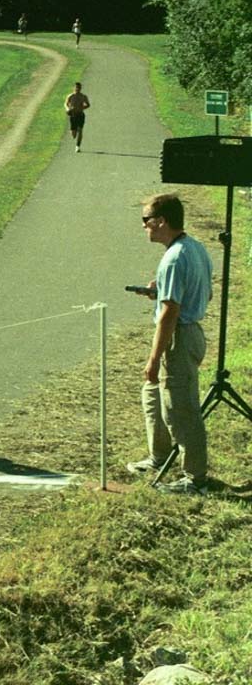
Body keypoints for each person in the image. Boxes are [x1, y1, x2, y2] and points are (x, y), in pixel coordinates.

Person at [127, 194, 213, 496]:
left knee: (181, 408)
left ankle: (195, 478)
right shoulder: (194, 248)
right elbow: (199, 292)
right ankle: (159, 456)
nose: (144, 227)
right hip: (190, 333)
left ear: (161, 221)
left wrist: (153, 358)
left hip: (180, 336)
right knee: (152, 394)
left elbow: (170, 313)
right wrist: (159, 290)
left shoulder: (174, 258)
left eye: (146, 220)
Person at [64, 81, 90, 153]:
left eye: (79, 88)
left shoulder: (83, 96)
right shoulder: (70, 96)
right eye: (76, 87)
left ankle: (77, 147)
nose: (77, 89)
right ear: (74, 88)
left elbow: (88, 104)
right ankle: (74, 132)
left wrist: (83, 107)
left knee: (80, 130)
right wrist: (68, 109)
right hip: (73, 115)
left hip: (80, 115)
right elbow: (65, 104)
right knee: (73, 134)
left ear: (80, 88)